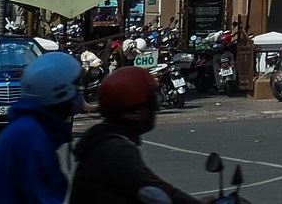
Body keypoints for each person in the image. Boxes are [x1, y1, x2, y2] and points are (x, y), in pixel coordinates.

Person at [70, 67, 202, 204]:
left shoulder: (104, 138)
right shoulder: (115, 149)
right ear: (135, 111)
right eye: (152, 101)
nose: (156, 109)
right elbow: (155, 191)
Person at [0, 52, 82, 204]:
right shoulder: (29, 134)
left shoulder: (31, 128)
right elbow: (40, 196)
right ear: (60, 92)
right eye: (75, 87)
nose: (78, 94)